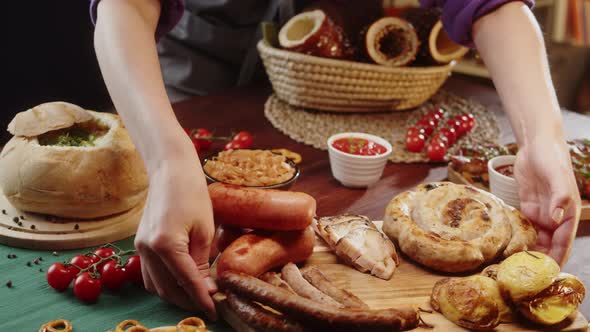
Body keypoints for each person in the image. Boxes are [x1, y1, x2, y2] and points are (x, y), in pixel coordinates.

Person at [90, 0, 581, 320]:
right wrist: (167, 157)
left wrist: (542, 137)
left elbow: (490, 5)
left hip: (339, 73)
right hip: (195, 62)